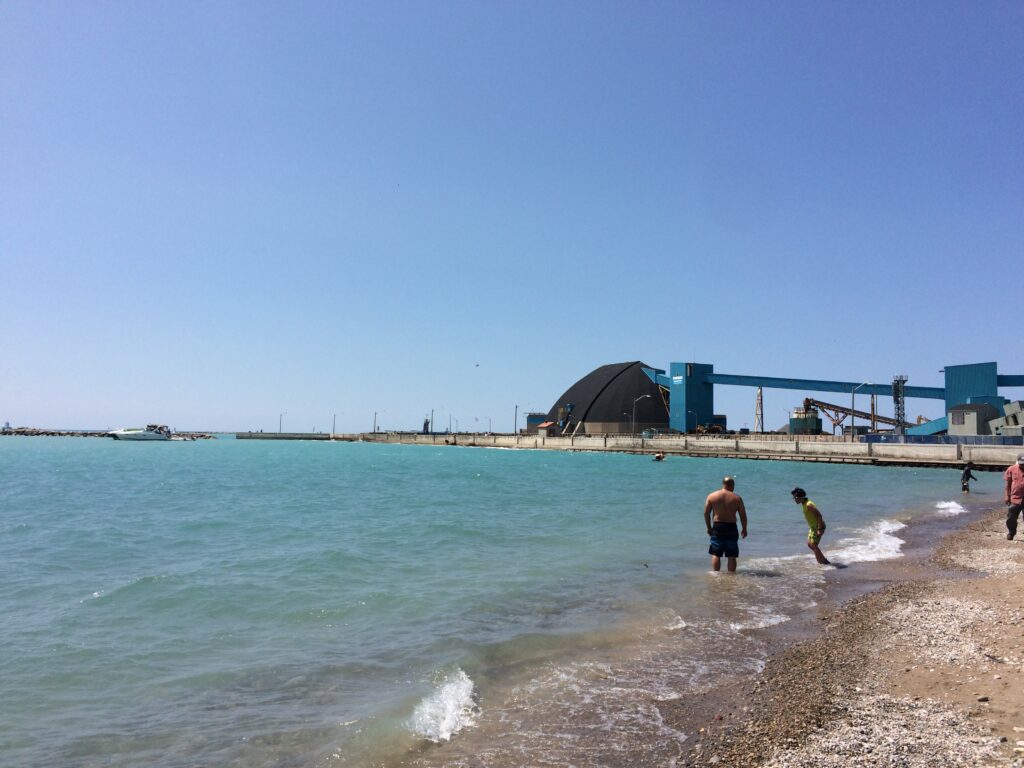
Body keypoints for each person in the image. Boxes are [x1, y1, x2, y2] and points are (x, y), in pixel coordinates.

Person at [704, 476, 748, 572]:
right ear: (732, 485)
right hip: (731, 527)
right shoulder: (737, 498)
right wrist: (744, 528)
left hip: (717, 526)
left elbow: (706, 513)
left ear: (723, 484)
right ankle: (731, 577)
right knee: (731, 555)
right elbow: (743, 515)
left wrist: (709, 528)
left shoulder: (712, 496)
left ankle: (716, 575)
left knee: (716, 553)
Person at [791, 487, 831, 565]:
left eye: (795, 497)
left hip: (818, 526)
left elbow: (819, 515)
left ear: (800, 497)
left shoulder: (808, 505)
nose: (794, 499)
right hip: (813, 527)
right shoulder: (804, 504)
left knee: (813, 545)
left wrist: (819, 529)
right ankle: (823, 561)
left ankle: (824, 563)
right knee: (810, 544)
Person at [1005, 454, 1024, 540]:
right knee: (1011, 517)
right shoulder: (1011, 469)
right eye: (1021, 463)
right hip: (1015, 498)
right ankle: (1011, 532)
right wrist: (1007, 496)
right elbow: (1008, 484)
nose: (1023, 465)